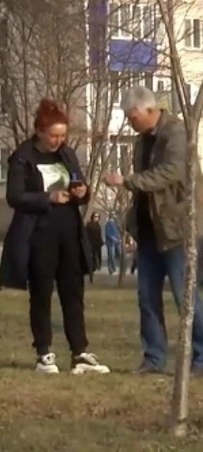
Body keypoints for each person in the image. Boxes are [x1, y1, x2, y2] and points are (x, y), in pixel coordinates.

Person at [0, 98, 110, 375]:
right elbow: (14, 196)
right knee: (42, 294)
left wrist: (83, 192)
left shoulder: (67, 154)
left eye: (62, 136)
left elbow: (80, 182)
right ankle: (44, 353)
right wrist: (47, 197)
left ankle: (80, 352)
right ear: (40, 131)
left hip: (70, 233)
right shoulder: (23, 157)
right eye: (53, 135)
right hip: (39, 235)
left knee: (73, 293)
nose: (58, 141)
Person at [103, 86, 203, 374]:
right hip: (149, 232)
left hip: (177, 230)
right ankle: (154, 358)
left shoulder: (177, 133)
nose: (130, 122)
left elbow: (172, 171)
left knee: (186, 297)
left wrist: (128, 180)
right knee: (147, 297)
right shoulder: (140, 142)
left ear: (150, 111)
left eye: (132, 117)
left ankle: (201, 357)